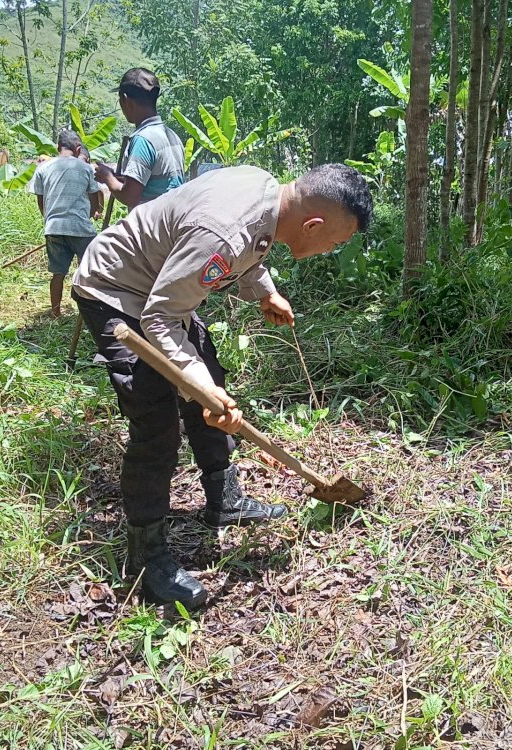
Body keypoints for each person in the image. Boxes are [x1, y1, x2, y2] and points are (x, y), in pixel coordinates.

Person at [71, 163, 373, 609]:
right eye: (336, 242)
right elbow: (160, 315)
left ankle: (225, 500)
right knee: (156, 421)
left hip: (162, 291)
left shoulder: (271, 197)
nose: (331, 250)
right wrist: (196, 383)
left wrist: (264, 290)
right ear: (313, 225)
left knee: (210, 385)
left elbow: (248, 248)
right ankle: (145, 555)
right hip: (116, 290)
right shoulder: (227, 232)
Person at [30, 129, 102, 318]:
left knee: (58, 273)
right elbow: (95, 198)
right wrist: (95, 211)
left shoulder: (43, 168)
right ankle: (88, 312)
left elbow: (41, 200)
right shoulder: (86, 168)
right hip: (80, 228)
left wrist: (48, 219)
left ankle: (55, 312)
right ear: (78, 149)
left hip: (53, 227)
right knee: (89, 270)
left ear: (57, 147)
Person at [94, 68, 184, 209]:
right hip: (171, 220)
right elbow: (154, 184)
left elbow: (129, 196)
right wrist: (118, 178)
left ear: (126, 100)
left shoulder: (143, 140)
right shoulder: (171, 135)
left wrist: (107, 177)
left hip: (151, 224)